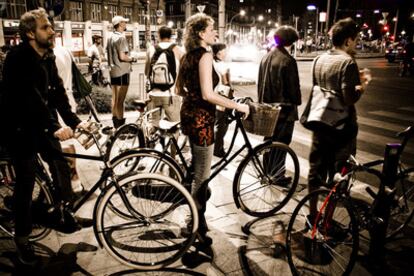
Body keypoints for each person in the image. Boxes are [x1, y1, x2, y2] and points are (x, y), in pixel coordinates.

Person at [0, 8, 91, 265]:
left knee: (61, 166)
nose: (52, 31)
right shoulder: (18, 59)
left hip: (41, 123)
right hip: (19, 129)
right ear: (30, 33)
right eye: (45, 27)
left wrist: (76, 122)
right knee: (25, 182)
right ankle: (22, 240)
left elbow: (57, 95)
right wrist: (54, 127)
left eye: (51, 26)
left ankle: (63, 213)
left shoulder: (48, 56)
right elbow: (31, 99)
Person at [176, 13, 249, 246]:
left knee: (197, 168)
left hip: (188, 113)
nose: (216, 33)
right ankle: (195, 225)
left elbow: (178, 89)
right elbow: (208, 94)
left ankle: (197, 219)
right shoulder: (205, 56)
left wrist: (196, 96)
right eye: (211, 29)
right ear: (201, 33)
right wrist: (237, 105)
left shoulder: (186, 56)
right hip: (202, 119)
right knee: (202, 176)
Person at [305, 18, 369, 217]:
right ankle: (327, 220)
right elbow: (349, 98)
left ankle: (313, 212)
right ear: (348, 40)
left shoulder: (319, 59)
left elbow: (319, 89)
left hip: (320, 121)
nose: (356, 44)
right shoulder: (347, 62)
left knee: (316, 170)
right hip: (342, 127)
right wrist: (363, 85)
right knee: (339, 173)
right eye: (355, 40)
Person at [257, 25, 301, 185]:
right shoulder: (288, 60)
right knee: (282, 144)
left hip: (267, 108)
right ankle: (277, 175)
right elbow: (294, 90)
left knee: (269, 142)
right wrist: (297, 101)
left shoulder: (266, 57)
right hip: (284, 110)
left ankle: (267, 172)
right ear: (291, 41)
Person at [144, 25, 184, 123]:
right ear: (171, 36)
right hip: (172, 94)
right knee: (174, 125)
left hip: (153, 94)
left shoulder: (151, 49)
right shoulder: (178, 50)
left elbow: (146, 72)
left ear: (158, 35)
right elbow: (184, 72)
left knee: (153, 124)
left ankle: (152, 137)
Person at [107, 15, 137, 128]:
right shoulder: (121, 38)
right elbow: (122, 57)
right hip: (122, 71)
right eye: (124, 22)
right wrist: (133, 58)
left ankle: (115, 122)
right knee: (121, 100)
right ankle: (121, 126)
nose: (125, 24)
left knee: (114, 98)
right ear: (119, 24)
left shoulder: (110, 37)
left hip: (113, 71)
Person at [211, 42, 233, 157]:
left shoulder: (212, 62)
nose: (226, 52)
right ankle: (218, 149)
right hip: (222, 96)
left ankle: (216, 147)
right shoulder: (222, 65)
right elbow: (226, 82)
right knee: (221, 124)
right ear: (219, 52)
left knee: (217, 122)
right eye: (225, 50)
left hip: (213, 96)